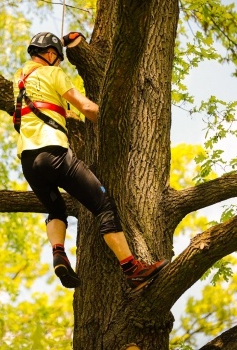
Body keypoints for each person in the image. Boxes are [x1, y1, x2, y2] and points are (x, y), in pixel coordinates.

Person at [13, 31, 168, 291]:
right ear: (50, 55)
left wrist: (59, 44)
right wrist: (115, 122)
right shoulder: (54, 73)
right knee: (103, 205)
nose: (59, 63)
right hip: (55, 153)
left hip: (29, 162)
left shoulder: (18, 79)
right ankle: (132, 270)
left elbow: (45, 102)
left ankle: (59, 253)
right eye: (57, 58)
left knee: (56, 210)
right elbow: (86, 107)